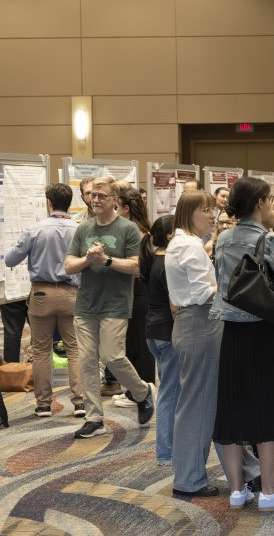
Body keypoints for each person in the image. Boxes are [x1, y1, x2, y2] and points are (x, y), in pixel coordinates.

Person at [211, 177, 274, 511]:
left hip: (231, 334)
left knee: (234, 409)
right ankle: (268, 492)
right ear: (260, 203)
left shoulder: (222, 239)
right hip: (266, 333)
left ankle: (237, 490)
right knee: (268, 410)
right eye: (269, 200)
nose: (273, 206)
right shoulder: (268, 241)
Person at [64, 177, 155, 439]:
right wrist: (86, 259)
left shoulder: (128, 229)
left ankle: (141, 392)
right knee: (88, 361)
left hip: (115, 304)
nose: (95, 200)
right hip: (86, 305)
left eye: (102, 195)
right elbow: (69, 265)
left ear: (115, 199)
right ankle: (94, 418)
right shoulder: (83, 228)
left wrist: (105, 260)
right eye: (92, 195)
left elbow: (137, 267)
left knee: (113, 356)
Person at [165, 191, 235, 498]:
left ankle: (242, 471)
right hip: (200, 324)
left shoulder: (186, 243)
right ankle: (189, 479)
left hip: (196, 324)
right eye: (205, 210)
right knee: (197, 406)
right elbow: (201, 293)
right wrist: (230, 288)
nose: (213, 215)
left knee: (206, 403)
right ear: (187, 213)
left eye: (213, 209)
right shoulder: (189, 245)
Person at [3, 183, 84, 418]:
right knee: (75, 350)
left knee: (40, 351)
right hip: (72, 294)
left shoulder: (34, 230)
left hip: (41, 295)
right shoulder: (79, 229)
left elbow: (10, 260)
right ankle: (79, 402)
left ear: (48, 203)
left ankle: (44, 405)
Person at [113, 186, 156, 386]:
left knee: (139, 344)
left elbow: (136, 266)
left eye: (117, 207)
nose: (114, 211)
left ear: (127, 209)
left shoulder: (137, 232)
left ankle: (143, 388)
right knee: (133, 343)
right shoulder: (141, 229)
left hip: (138, 292)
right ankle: (136, 389)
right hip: (134, 292)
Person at [143, 215, 175, 465]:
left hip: (155, 331)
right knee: (168, 394)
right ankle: (165, 452)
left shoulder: (154, 260)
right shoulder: (167, 263)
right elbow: (175, 306)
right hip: (167, 333)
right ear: (170, 236)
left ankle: (168, 449)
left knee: (169, 391)